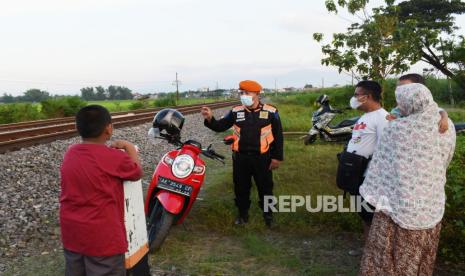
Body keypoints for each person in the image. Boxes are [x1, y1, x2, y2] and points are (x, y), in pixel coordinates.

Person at [359, 83, 456, 275]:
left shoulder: (395, 129)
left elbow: (381, 167)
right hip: (429, 204)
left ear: (407, 103)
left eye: (399, 102)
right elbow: (446, 159)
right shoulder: (446, 126)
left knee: (387, 259)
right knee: (419, 258)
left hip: (395, 206)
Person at [59, 105, 145, 276]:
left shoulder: (71, 153)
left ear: (78, 128)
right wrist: (128, 146)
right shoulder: (115, 157)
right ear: (108, 128)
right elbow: (136, 172)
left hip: (72, 233)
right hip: (103, 238)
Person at [201, 80, 284, 227]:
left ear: (257, 94)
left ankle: (268, 216)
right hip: (240, 159)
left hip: (263, 158)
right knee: (241, 188)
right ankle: (242, 215)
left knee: (265, 188)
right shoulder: (236, 111)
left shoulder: (271, 112)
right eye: (241, 93)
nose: (243, 95)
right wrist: (209, 118)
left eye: (247, 93)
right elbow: (220, 126)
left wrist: (277, 158)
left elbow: (278, 136)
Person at [346, 80, 390, 255]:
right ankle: (368, 250)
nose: (354, 98)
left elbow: (383, 150)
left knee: (371, 216)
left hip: (368, 176)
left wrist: (373, 176)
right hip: (355, 173)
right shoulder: (364, 117)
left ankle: (376, 254)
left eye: (357, 95)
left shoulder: (383, 118)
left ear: (368, 96)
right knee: (364, 215)